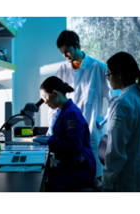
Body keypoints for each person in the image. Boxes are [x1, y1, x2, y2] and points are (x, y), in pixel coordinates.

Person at [53, 30, 110, 181]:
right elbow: (55, 103)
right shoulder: (62, 71)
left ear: (77, 45)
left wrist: (101, 121)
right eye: (62, 53)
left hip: (91, 133)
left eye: (68, 51)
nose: (65, 56)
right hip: (70, 138)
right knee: (72, 178)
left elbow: (115, 101)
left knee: (94, 178)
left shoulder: (99, 68)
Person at [100, 52, 140, 192]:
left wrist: (107, 181)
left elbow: (116, 151)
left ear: (119, 75)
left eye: (109, 74)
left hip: (129, 175)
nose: (108, 78)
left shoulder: (122, 103)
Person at [34, 76, 98, 191]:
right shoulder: (62, 111)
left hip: (81, 169)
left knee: (44, 182)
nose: (44, 101)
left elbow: (74, 146)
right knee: (41, 175)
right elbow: (62, 136)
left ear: (55, 93)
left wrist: (49, 142)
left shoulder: (71, 113)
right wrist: (47, 138)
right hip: (72, 165)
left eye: (45, 97)